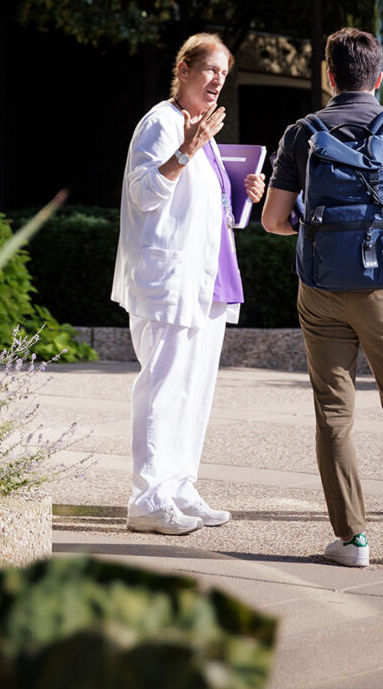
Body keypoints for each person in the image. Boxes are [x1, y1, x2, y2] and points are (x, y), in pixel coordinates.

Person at [262, 27, 383, 567]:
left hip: (321, 292)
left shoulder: (301, 133)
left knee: (332, 415)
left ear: (329, 76)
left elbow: (274, 220)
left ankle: (351, 541)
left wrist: (316, 225)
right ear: (378, 77)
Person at [111, 33, 266, 536]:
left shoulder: (204, 133)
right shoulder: (161, 123)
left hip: (209, 283)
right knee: (163, 390)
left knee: (194, 392)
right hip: (169, 283)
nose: (219, 80)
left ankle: (179, 487)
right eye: (210, 70)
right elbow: (143, 195)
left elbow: (209, 215)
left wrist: (244, 196)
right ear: (183, 69)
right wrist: (186, 149)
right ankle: (148, 500)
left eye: (225, 72)